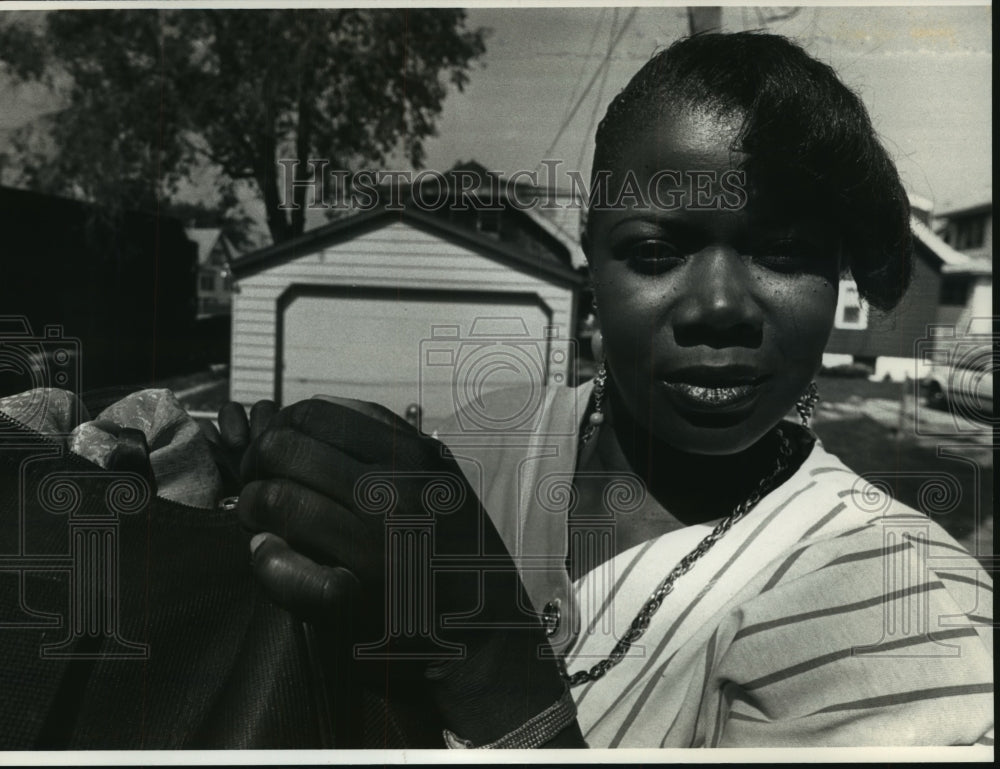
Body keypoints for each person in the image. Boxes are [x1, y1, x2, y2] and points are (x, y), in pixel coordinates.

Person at [231, 32, 993, 748]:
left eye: (785, 253)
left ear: (836, 277)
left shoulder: (900, 605)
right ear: (591, 261)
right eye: (656, 250)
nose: (721, 306)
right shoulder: (477, 458)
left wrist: (490, 656)